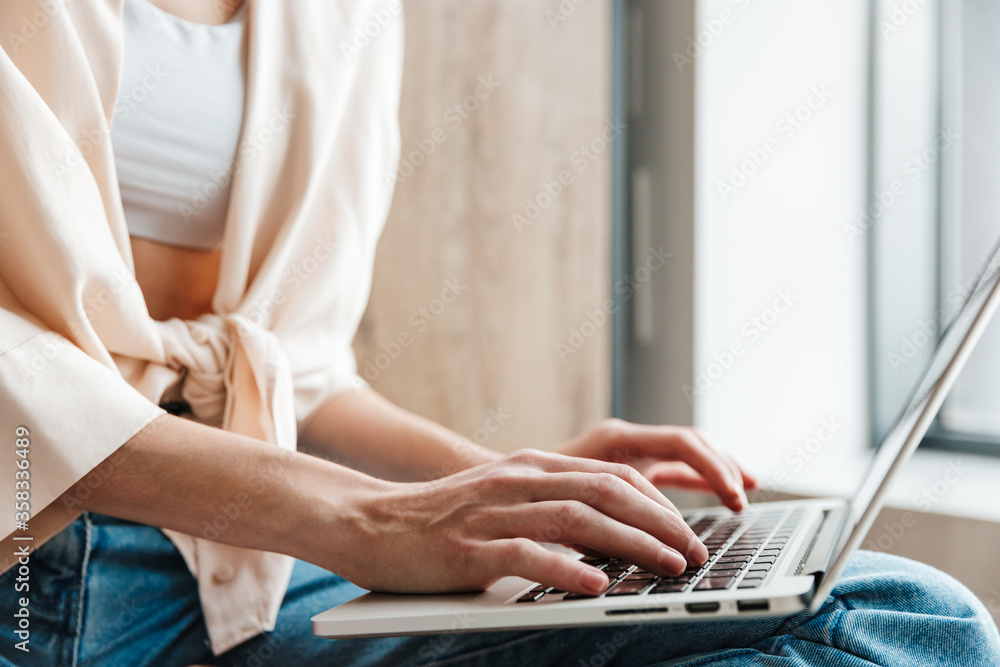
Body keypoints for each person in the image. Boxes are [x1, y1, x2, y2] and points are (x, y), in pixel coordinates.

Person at [0, 1, 997, 665]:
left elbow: (291, 364)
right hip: (31, 567)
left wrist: (503, 491)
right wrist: (366, 520)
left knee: (890, 625)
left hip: (243, 572)